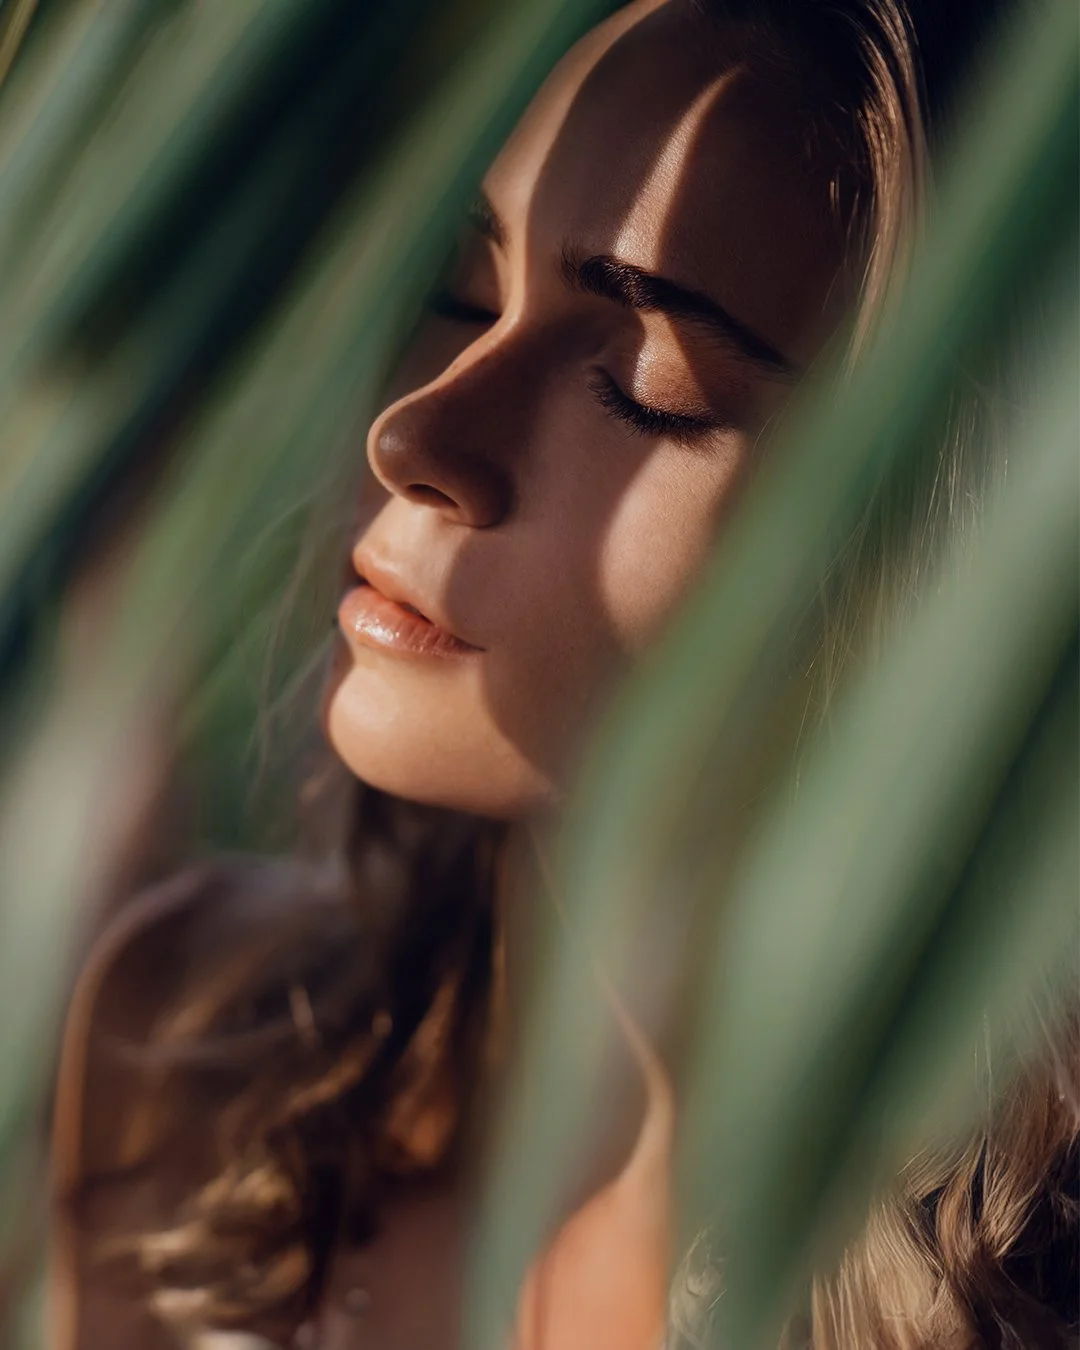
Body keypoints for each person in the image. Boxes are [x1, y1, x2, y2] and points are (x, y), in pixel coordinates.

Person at [49, 1, 1078, 1347]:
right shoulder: (188, 1058)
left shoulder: (1019, 1287)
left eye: (647, 383)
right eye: (461, 293)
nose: (417, 435)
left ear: (934, 549)